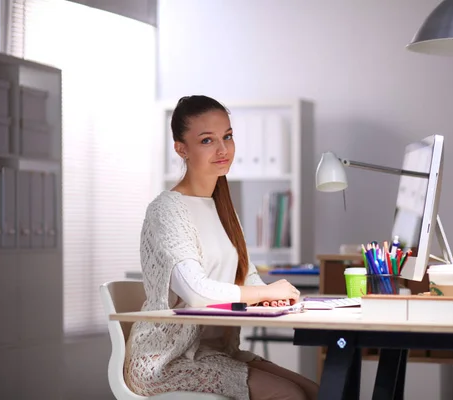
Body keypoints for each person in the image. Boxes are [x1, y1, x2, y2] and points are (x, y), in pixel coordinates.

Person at [124, 95, 319, 400]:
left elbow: (246, 276)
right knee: (289, 395)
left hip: (219, 354)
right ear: (181, 148)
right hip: (166, 362)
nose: (223, 149)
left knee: (320, 392)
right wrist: (266, 293)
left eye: (227, 136)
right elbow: (196, 292)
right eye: (207, 140)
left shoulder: (222, 206)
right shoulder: (167, 209)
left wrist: (269, 297)